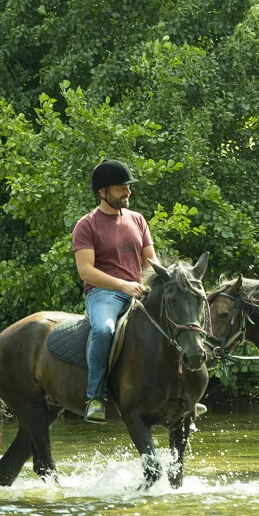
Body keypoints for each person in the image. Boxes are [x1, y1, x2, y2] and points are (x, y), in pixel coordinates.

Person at [72, 159, 157, 421]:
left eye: (128, 187)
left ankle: (181, 392)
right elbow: (86, 271)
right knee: (104, 330)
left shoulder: (138, 220)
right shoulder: (86, 225)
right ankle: (95, 397)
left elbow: (152, 262)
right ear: (102, 192)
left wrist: (164, 284)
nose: (128, 192)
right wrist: (123, 285)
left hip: (138, 290)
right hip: (104, 294)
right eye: (121, 188)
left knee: (175, 320)